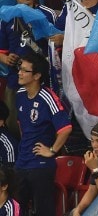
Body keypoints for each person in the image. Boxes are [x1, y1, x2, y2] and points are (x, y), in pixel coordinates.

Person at [14, 53, 72, 216]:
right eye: (20, 69)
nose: (20, 73)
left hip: (41, 166)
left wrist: (52, 151)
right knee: (18, 210)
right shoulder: (19, 94)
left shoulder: (48, 96)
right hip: (22, 162)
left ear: (37, 75)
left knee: (43, 211)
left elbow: (66, 128)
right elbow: (21, 125)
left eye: (25, 71)